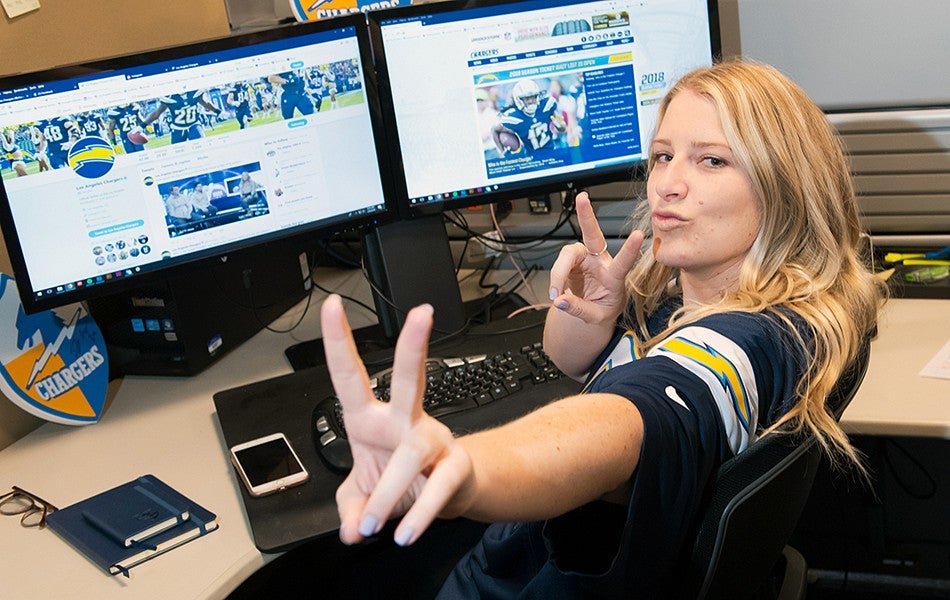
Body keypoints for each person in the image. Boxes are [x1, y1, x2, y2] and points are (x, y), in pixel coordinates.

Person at [316, 61, 887, 598]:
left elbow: (632, 416)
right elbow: (569, 363)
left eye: (711, 160)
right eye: (663, 155)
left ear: (784, 186)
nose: (667, 183)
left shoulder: (745, 343)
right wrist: (593, 317)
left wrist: (464, 470)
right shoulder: (714, 301)